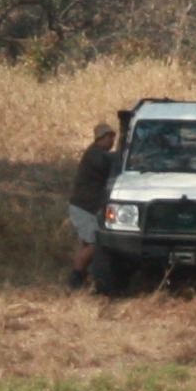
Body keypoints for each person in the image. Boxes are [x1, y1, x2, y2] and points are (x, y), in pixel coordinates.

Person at [65, 119, 120, 288]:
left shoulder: (96, 153)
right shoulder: (95, 154)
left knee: (85, 242)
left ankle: (79, 276)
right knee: (94, 243)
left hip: (84, 206)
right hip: (84, 207)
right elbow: (109, 164)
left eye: (113, 137)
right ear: (100, 138)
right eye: (109, 137)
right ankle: (77, 277)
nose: (112, 141)